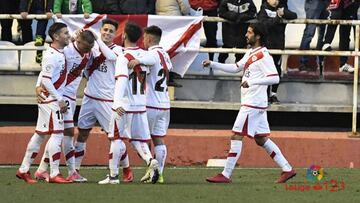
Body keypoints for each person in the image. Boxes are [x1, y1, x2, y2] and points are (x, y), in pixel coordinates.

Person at [203, 23, 296, 184]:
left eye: (249, 32)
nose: (246, 34)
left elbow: (275, 78)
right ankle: (287, 169)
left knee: (236, 135)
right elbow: (235, 67)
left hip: (252, 103)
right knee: (261, 139)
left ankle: (226, 174)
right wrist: (213, 64)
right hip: (254, 102)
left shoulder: (264, 55)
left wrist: (252, 82)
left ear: (258, 36)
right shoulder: (252, 52)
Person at [98, 21, 160, 184]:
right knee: (138, 140)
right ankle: (150, 160)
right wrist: (140, 61)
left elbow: (121, 81)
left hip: (124, 105)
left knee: (116, 139)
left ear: (124, 35)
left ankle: (113, 177)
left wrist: (116, 103)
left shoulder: (123, 57)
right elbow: (153, 59)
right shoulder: (146, 55)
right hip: (140, 105)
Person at [75, 19, 134, 183]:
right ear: (101, 30)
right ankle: (75, 171)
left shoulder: (119, 51)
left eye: (110, 31)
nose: (107, 33)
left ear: (116, 35)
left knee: (114, 138)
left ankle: (127, 169)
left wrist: (96, 38)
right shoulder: (92, 47)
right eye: (105, 30)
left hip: (107, 101)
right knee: (82, 133)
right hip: (89, 98)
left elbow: (108, 55)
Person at [34, 30, 96, 183]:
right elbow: (47, 69)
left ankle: (42, 169)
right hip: (61, 95)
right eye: (86, 47)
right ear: (78, 41)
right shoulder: (66, 51)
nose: (88, 50)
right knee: (64, 132)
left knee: (62, 133)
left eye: (90, 47)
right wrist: (37, 85)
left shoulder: (88, 52)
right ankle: (70, 171)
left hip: (71, 97)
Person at [16, 22, 71, 184]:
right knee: (57, 133)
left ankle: (23, 170)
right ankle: (54, 173)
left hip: (48, 98)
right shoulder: (51, 55)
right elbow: (46, 79)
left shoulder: (58, 51)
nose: (68, 35)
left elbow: (44, 74)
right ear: (56, 36)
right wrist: (59, 99)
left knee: (40, 134)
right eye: (65, 33)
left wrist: (37, 87)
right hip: (52, 100)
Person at [129, 25, 173, 184]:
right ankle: (158, 174)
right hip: (165, 105)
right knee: (158, 140)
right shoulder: (166, 55)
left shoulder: (152, 54)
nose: (143, 41)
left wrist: (137, 60)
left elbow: (148, 60)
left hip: (151, 104)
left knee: (137, 137)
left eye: (144, 38)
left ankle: (151, 165)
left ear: (149, 38)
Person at [257, 0, 297, 104]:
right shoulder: (263, 10)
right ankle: (265, 95)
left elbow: (294, 15)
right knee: (265, 71)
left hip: (278, 45)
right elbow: (264, 25)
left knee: (276, 70)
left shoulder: (281, 8)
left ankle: (273, 94)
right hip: (266, 46)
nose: (275, 1)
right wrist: (277, 17)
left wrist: (284, 13)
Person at [321, 0, 360, 73]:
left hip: (351, 6)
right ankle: (326, 43)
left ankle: (343, 64)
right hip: (340, 4)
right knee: (335, 18)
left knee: (346, 35)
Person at [298, 0, 330, 72]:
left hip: (325, 2)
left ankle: (319, 61)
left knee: (322, 33)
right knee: (309, 32)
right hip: (314, 2)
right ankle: (303, 63)